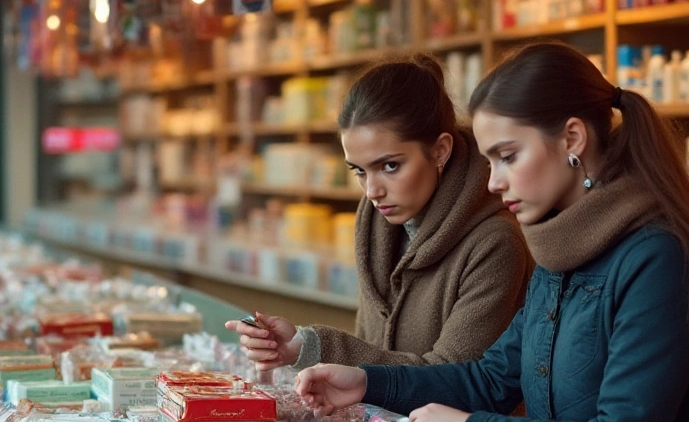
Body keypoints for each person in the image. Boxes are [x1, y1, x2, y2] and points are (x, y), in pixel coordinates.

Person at [293, 42, 689, 422]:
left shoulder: (659, 256)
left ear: (572, 139)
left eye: (507, 156)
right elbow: (492, 378)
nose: (493, 182)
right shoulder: (563, 245)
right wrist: (369, 381)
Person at [226, 55, 531, 371]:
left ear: (440, 150)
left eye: (390, 166)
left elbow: (452, 378)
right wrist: (295, 347)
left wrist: (316, 348)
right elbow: (375, 349)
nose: (372, 191)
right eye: (359, 170)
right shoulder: (376, 225)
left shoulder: (496, 243)